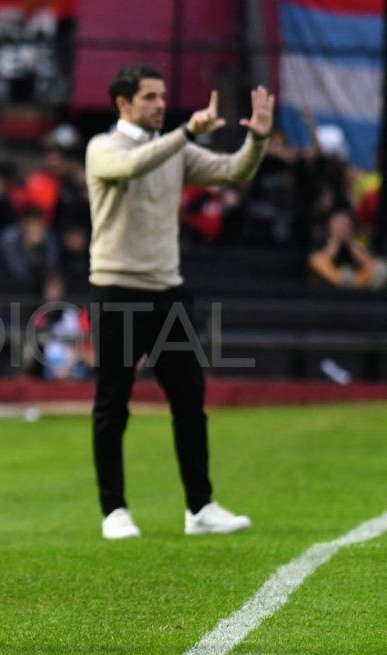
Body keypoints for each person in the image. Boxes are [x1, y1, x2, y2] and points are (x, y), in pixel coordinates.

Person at [86, 64, 273, 539]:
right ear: (122, 103)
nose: (160, 104)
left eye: (163, 96)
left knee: (190, 401)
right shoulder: (102, 148)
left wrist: (258, 140)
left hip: (167, 291)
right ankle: (114, 511)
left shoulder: (172, 149)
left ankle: (200, 507)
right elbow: (132, 166)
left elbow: (233, 171)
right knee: (113, 404)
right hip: (117, 288)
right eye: (150, 97)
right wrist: (185, 132)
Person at [308, 209, 387, 291]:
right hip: (329, 285)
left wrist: (349, 242)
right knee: (316, 260)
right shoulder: (321, 241)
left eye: (346, 223)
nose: (342, 226)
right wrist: (335, 240)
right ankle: (343, 281)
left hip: (357, 283)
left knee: (381, 266)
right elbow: (319, 262)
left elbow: (370, 263)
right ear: (329, 225)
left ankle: (348, 284)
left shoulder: (356, 243)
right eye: (338, 223)